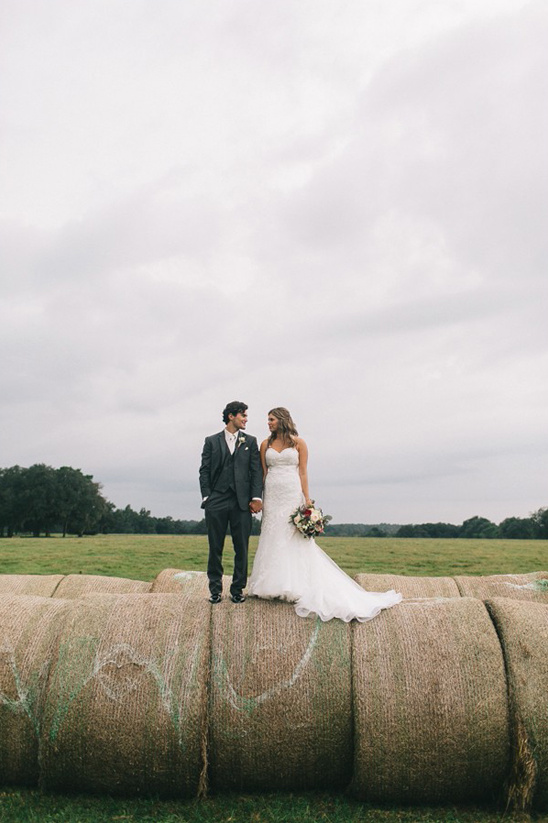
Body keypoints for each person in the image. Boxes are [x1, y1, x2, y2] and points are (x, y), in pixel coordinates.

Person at [247, 407, 402, 622]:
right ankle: (268, 584)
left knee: (292, 537)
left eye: (271, 419)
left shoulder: (299, 443)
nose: (268, 423)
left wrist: (307, 499)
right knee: (272, 534)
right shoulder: (265, 444)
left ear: (282, 420)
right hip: (273, 494)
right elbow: (263, 473)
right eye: (268, 420)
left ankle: (293, 584)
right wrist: (259, 498)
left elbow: (302, 471)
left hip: (292, 493)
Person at [199, 401, 263, 604]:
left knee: (241, 547)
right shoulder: (211, 441)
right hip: (216, 500)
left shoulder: (250, 441)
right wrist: (207, 496)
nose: (245, 419)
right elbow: (204, 470)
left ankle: (237, 590)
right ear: (231, 417)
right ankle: (215, 590)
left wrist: (256, 497)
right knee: (215, 547)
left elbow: (256, 472)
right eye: (243, 415)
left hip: (241, 502)